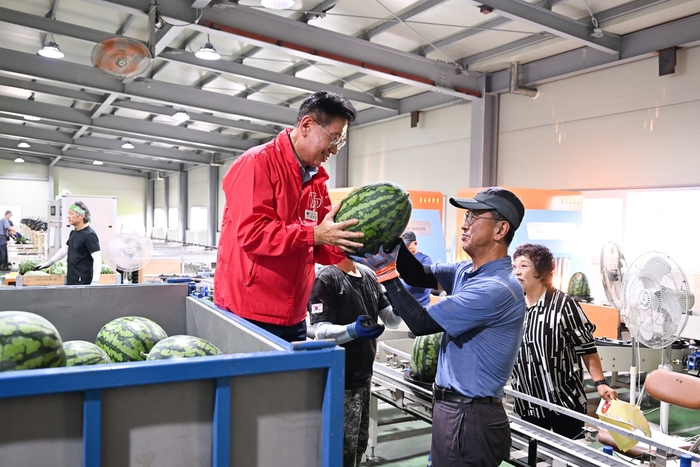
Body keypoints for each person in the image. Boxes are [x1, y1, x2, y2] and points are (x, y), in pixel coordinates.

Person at [352, 187, 527, 467]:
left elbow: (421, 323)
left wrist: (385, 273)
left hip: (470, 416)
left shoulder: (494, 288)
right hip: (454, 410)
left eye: (473, 216)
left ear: (500, 229)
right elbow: (416, 274)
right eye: (466, 215)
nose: (464, 223)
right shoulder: (466, 271)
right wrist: (389, 234)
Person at [214, 91, 365, 343]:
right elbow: (253, 235)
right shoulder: (256, 163)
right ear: (307, 125)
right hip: (248, 312)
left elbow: (319, 247)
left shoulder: (316, 180)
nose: (335, 150)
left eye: (341, 142)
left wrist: (349, 246)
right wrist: (314, 234)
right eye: (334, 138)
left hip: (294, 314)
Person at [511, 243, 617, 439]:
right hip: (528, 400)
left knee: (568, 456)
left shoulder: (564, 305)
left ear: (541, 271)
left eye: (524, 266)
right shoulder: (515, 305)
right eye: (515, 266)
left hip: (564, 402)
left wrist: (600, 383)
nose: (517, 271)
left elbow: (587, 348)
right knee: (533, 456)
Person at [307, 257, 402, 467]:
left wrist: (402, 301)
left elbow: (391, 320)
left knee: (357, 447)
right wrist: (353, 330)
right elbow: (321, 332)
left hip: (363, 378)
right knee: (339, 452)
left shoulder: (368, 275)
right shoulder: (326, 278)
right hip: (339, 381)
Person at [36, 201, 102, 285]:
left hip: (82, 281)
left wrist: (95, 280)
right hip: (72, 277)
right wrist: (50, 262)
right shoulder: (74, 232)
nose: (68, 216)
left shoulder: (89, 235)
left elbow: (97, 258)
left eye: (71, 214)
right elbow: (65, 248)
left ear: (81, 216)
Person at [399, 230, 433, 306]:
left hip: (421, 304)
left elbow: (424, 277)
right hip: (404, 305)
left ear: (415, 243)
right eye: (404, 246)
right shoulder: (399, 259)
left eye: (408, 246)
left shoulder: (425, 259)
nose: (406, 249)